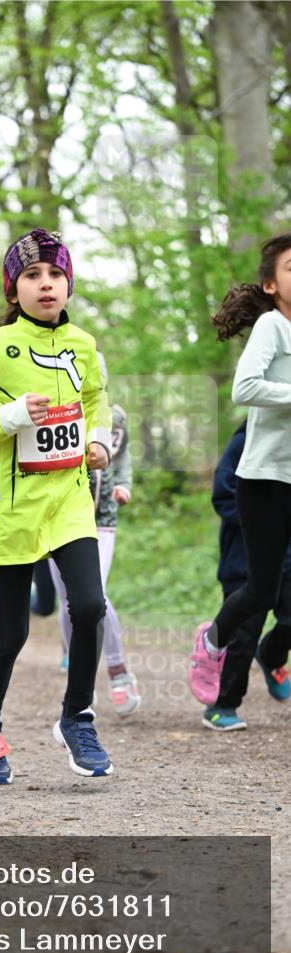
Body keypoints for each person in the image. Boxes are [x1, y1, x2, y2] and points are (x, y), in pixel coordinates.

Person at [0, 227, 113, 785]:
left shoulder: (83, 345)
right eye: (33, 276)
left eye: (56, 274)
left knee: (88, 605)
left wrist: (99, 440)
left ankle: (77, 717)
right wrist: (9, 417)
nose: (47, 284)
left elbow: (96, 400)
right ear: (14, 290)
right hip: (11, 507)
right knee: (11, 631)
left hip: (68, 498)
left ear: (68, 285)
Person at [190, 233, 291, 703]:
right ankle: (211, 641)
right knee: (261, 592)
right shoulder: (272, 327)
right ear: (270, 285)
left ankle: (272, 653)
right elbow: (244, 387)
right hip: (266, 479)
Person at [49, 397, 140, 717]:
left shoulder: (114, 416)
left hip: (101, 518)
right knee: (68, 600)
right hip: (56, 517)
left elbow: (123, 453)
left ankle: (119, 674)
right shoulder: (50, 411)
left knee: (93, 596)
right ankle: (79, 678)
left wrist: (124, 484)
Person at [201, 421, 290, 730]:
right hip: (245, 558)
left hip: (287, 558)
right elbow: (223, 495)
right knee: (243, 634)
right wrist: (265, 524)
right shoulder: (244, 444)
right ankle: (222, 705)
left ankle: (271, 655)